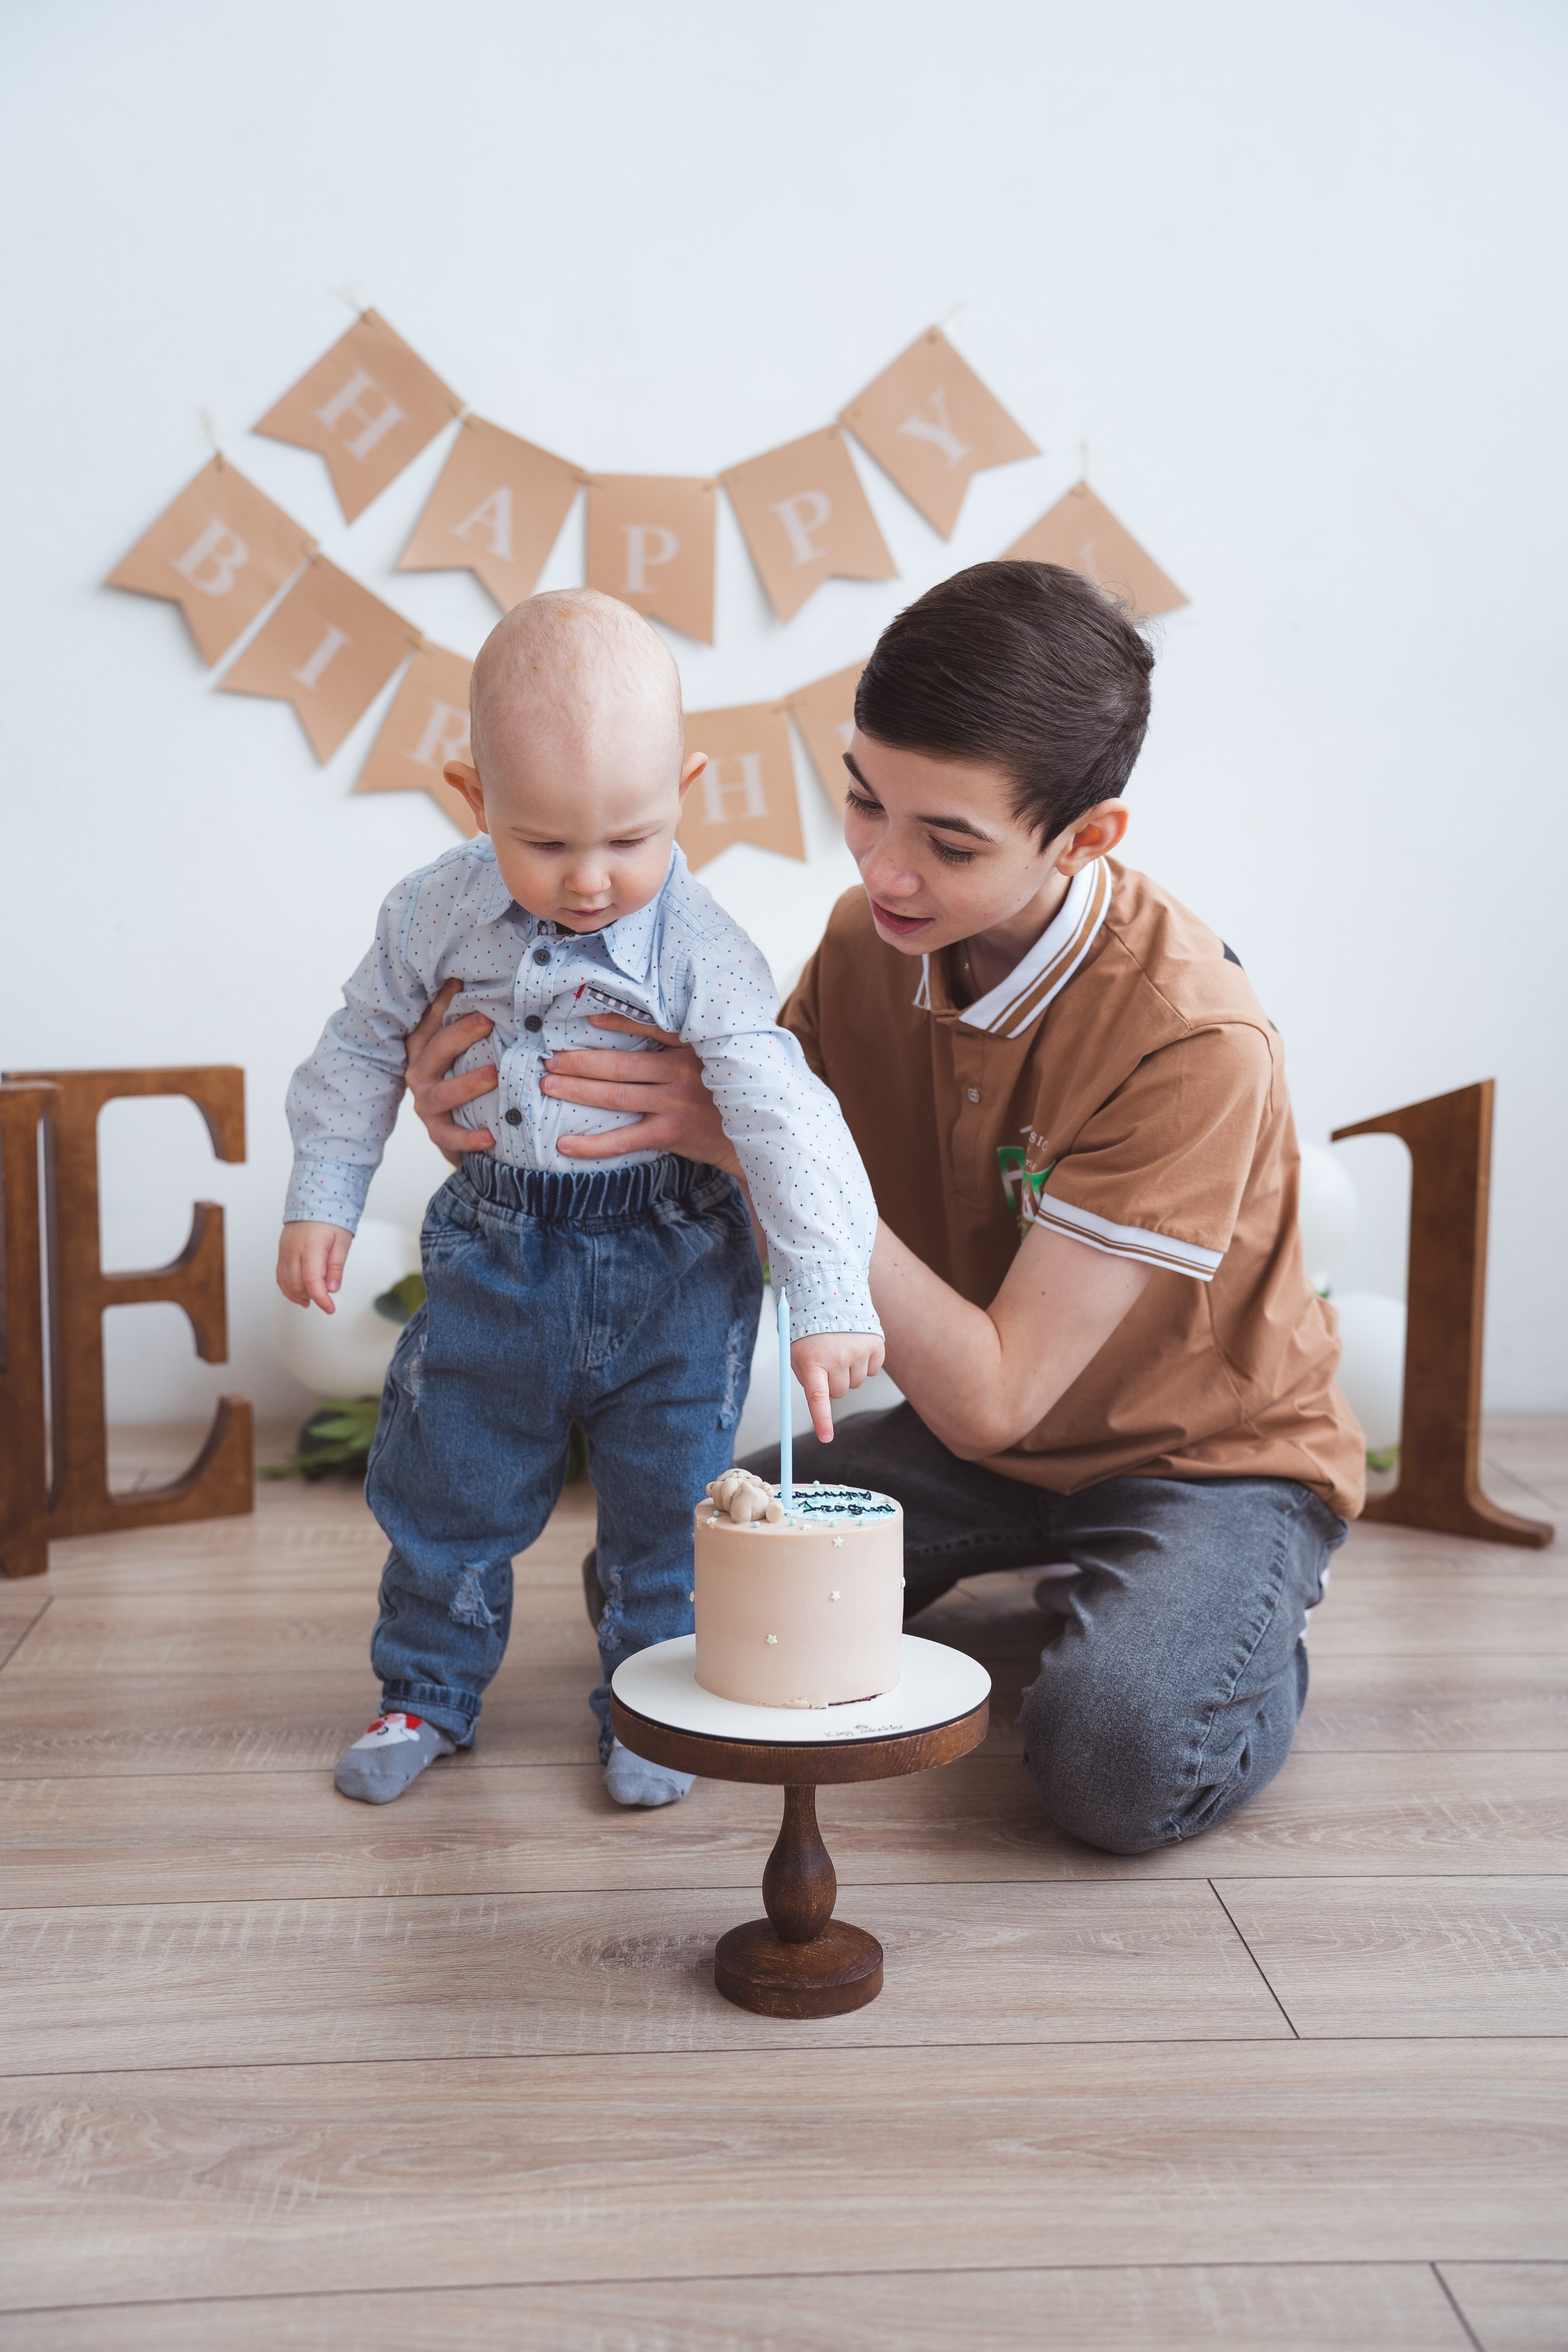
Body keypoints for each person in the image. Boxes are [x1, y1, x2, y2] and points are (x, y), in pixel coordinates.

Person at [405, 562, 1363, 1856]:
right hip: (976, 1451)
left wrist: (745, 1140)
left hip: (1195, 1457)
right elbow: (698, 1158)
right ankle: (1073, 1590)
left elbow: (992, 1389)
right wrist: (489, 1103)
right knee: (673, 1588)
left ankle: (1233, 1628)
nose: (883, 869)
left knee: (1110, 1761)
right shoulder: (869, 946)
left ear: (1082, 839)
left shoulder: (1188, 1037)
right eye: (864, 802)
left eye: (947, 842)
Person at [277, 590, 882, 1809]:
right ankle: (424, 1692)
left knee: (670, 1509)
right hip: (496, 1249)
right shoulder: (431, 911)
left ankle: (649, 1706)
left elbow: (779, 1115)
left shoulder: (701, 947)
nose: (593, 879)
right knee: (448, 1488)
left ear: (686, 791)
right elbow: (358, 1046)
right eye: (545, 843)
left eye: (630, 838)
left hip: (668, 1261)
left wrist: (823, 1290)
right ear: (472, 798)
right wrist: (325, 1192)